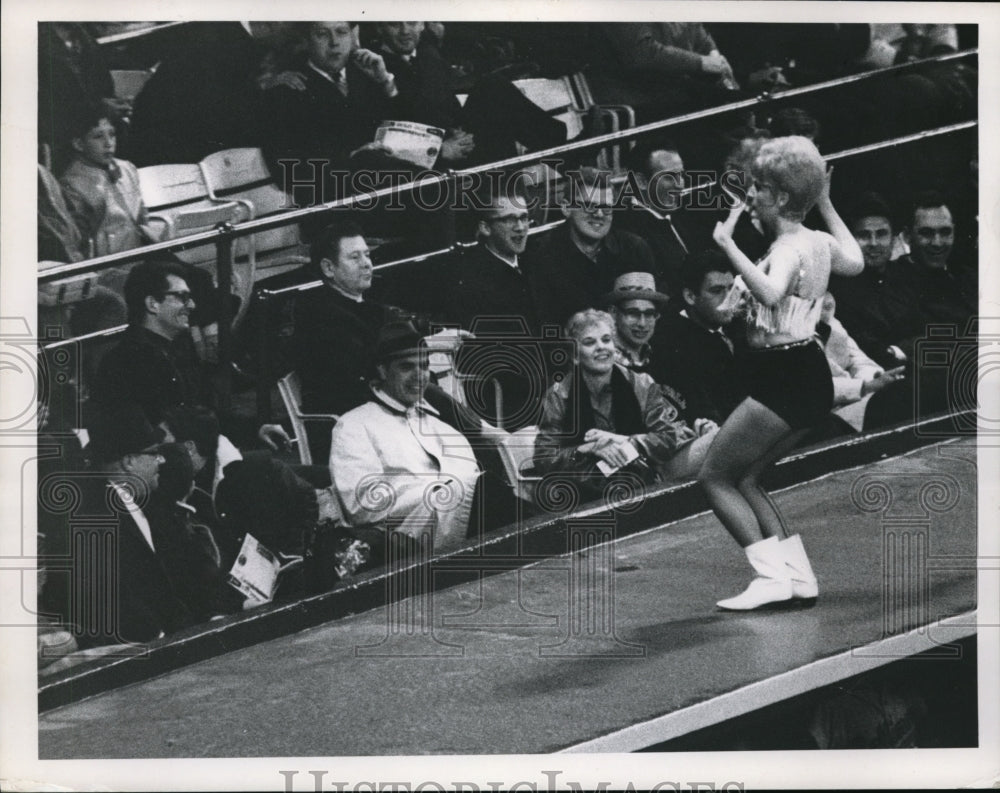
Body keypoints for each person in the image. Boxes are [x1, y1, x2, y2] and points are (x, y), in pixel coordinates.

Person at [700, 135, 863, 611]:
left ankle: (770, 577)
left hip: (785, 377)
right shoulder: (816, 241)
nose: (751, 195)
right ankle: (798, 578)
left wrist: (727, 245)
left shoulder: (790, 247)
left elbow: (771, 294)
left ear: (784, 197)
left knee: (714, 476)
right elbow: (853, 260)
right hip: (806, 374)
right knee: (748, 477)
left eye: (761, 187)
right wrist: (826, 203)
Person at [38, 404, 200, 647]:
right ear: (129, 461)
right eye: (154, 452)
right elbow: (101, 596)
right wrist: (158, 637)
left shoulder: (138, 505)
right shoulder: (92, 515)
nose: (162, 459)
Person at [329, 321, 483, 554]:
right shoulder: (353, 425)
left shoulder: (436, 423)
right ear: (382, 370)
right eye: (406, 367)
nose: (419, 376)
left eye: (423, 366)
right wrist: (438, 493)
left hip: (462, 518)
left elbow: (470, 474)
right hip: (407, 539)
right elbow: (360, 505)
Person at [533, 309, 703, 499]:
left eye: (606, 340)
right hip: (587, 491)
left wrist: (623, 442)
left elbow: (666, 438)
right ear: (575, 355)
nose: (601, 347)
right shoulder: (558, 396)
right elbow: (544, 458)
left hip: (645, 481)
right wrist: (586, 449)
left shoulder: (642, 384)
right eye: (590, 342)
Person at [530, 168, 657, 328]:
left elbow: (650, 313)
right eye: (589, 206)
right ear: (566, 207)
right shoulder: (543, 256)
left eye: (606, 207)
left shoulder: (634, 248)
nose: (599, 214)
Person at [656, 250, 746, 424]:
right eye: (717, 291)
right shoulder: (673, 344)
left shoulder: (739, 325)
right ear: (690, 296)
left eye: (732, 289)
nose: (729, 299)